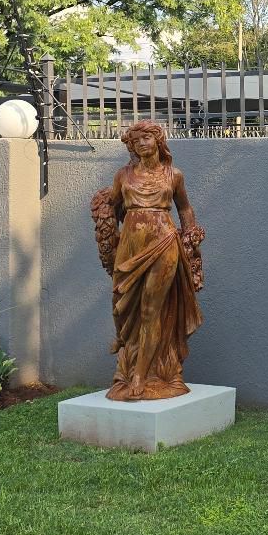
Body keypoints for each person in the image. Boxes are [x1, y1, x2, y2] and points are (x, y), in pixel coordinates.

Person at [91, 120, 204, 401]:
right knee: (119, 305)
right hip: (130, 246)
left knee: (151, 311)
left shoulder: (173, 176)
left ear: (158, 140)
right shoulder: (122, 176)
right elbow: (113, 206)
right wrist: (110, 234)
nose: (141, 144)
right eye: (136, 140)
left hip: (164, 242)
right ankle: (127, 349)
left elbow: (185, 209)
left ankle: (140, 374)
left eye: (146, 138)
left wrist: (191, 235)